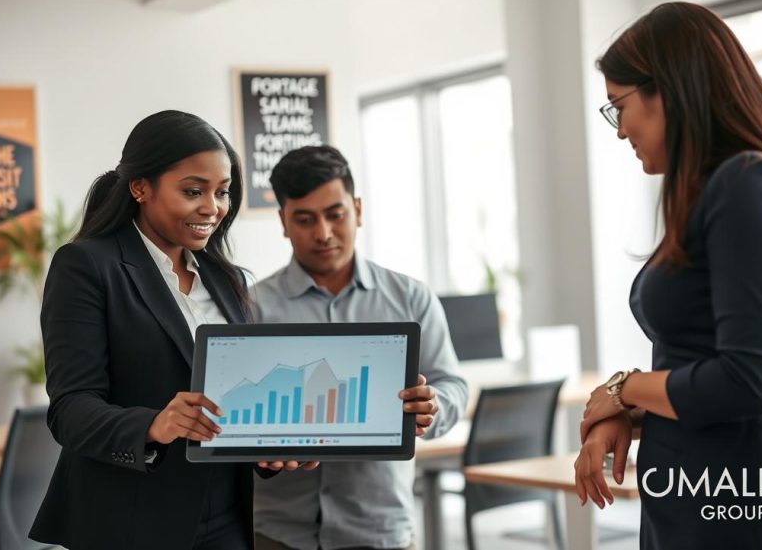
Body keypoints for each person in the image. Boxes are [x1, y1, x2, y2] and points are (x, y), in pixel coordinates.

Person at [574, 2, 762, 550]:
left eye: (621, 107)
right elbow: (703, 366)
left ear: (668, 91)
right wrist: (629, 412)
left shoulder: (747, 186)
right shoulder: (719, 189)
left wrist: (624, 389)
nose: (621, 132)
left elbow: (747, 381)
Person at [30, 110, 316, 550]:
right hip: (128, 520)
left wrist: (272, 448)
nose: (213, 207)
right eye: (193, 191)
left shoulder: (228, 279)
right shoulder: (87, 266)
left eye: (222, 192)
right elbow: (70, 409)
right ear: (140, 187)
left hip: (225, 518)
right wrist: (155, 425)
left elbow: (239, 396)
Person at [249, 145, 469, 550]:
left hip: (380, 528)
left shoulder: (411, 298)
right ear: (282, 221)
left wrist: (433, 405)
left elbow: (452, 384)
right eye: (304, 219)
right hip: (279, 533)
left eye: (336, 214)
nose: (324, 233)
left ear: (358, 210)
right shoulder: (251, 306)